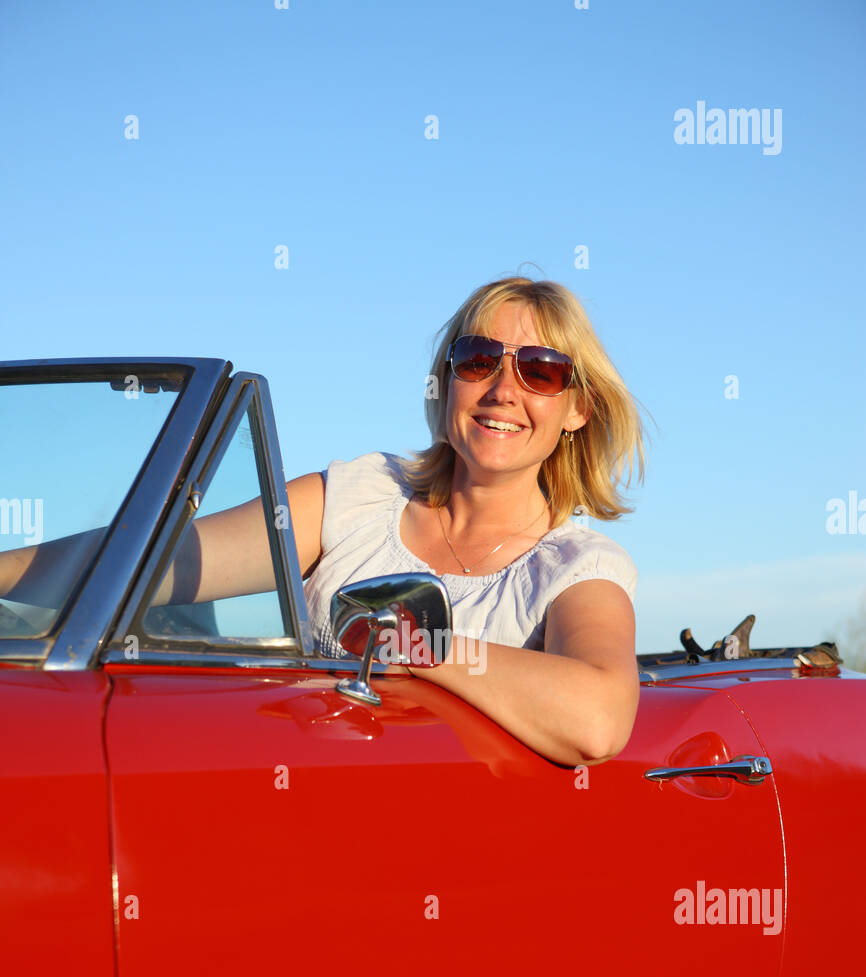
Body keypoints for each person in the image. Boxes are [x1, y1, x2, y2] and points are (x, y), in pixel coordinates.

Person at [0, 276, 647, 767]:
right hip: (310, 803)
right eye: (478, 360)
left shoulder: (575, 567)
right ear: (446, 383)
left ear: (577, 409)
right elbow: (150, 561)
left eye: (540, 371)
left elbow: (598, 718)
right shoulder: (358, 500)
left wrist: (414, 647)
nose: (503, 390)